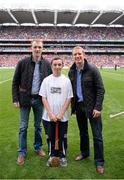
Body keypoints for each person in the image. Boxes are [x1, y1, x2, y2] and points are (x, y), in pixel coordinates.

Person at [12, 39, 52, 165]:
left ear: (42, 48)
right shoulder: (22, 62)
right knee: (23, 127)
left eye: (39, 47)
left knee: (38, 126)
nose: (37, 49)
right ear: (31, 48)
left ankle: (38, 147)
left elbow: (50, 82)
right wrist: (15, 98)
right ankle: (21, 152)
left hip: (39, 100)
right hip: (24, 99)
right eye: (35, 47)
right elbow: (15, 82)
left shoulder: (46, 64)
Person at [68, 46, 105, 174]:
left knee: (97, 136)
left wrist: (98, 107)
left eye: (79, 54)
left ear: (83, 54)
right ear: (72, 57)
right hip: (79, 107)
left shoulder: (92, 69)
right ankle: (84, 153)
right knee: (83, 133)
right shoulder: (71, 71)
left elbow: (100, 89)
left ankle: (99, 162)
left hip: (92, 108)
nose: (77, 56)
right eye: (75, 55)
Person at [39, 57, 73, 167]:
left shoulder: (66, 80)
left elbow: (69, 98)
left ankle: (62, 156)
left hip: (62, 117)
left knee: (62, 137)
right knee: (50, 137)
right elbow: (43, 98)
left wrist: (61, 114)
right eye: (55, 65)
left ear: (62, 66)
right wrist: (51, 114)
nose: (57, 67)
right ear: (51, 66)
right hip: (48, 117)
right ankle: (52, 155)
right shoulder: (46, 80)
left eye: (59, 65)